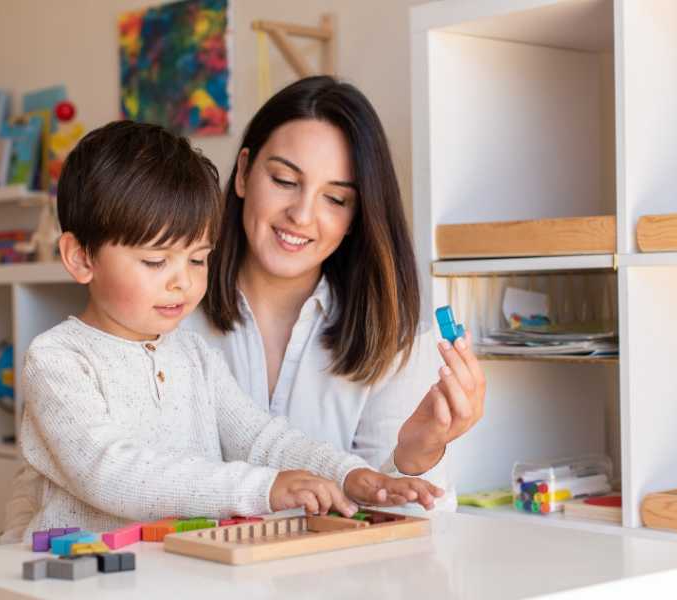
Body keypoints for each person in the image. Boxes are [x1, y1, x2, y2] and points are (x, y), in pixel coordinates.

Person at [0, 120, 442, 543]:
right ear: (80, 258)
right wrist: (263, 488)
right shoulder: (59, 359)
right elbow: (111, 473)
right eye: (156, 262)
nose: (183, 281)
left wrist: (347, 473)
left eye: (197, 259)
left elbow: (261, 438)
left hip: (177, 572)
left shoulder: (192, 354)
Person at [184, 76, 486, 511]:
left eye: (336, 199)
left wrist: (417, 456)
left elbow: (405, 541)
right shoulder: (169, 310)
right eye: (285, 180)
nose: (302, 215)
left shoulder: (393, 339)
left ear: (356, 217)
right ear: (245, 172)